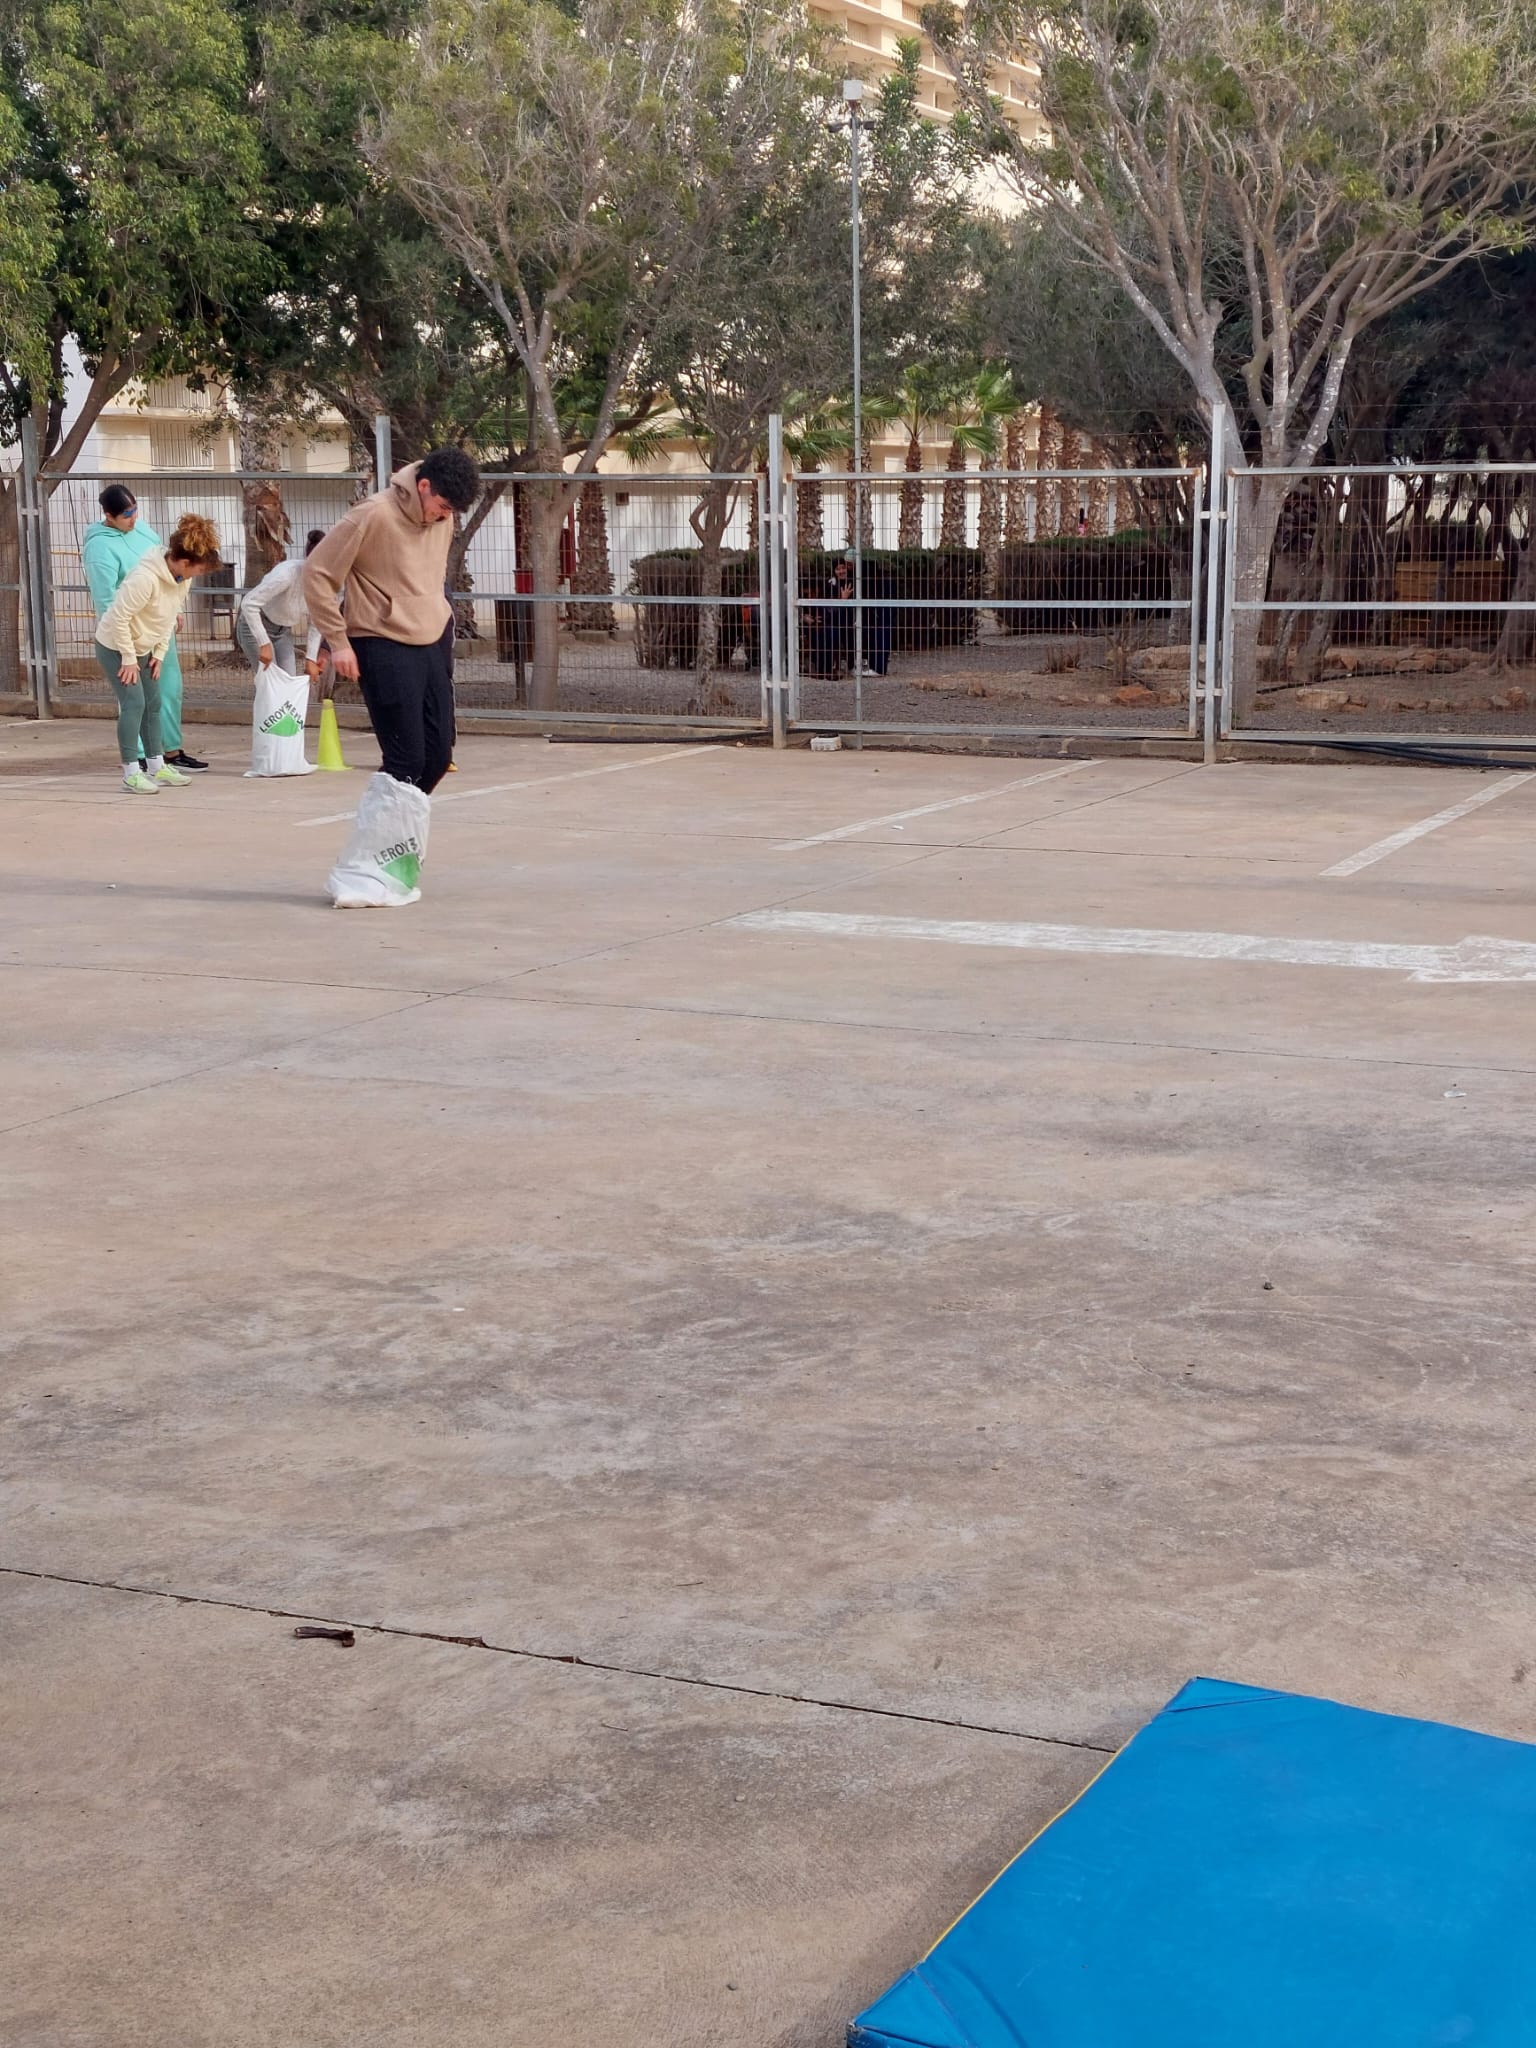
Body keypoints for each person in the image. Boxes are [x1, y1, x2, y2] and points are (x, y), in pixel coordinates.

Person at [302, 449, 479, 795]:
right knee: (406, 759)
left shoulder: (443, 520)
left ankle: (400, 820)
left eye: (452, 511)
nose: (445, 516)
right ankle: (382, 825)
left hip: (431, 637)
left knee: (438, 757)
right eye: (443, 506)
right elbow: (316, 573)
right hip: (381, 640)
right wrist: (337, 642)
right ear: (423, 486)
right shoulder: (372, 514)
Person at [81, 485, 206, 773]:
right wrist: (124, 648)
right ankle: (138, 754)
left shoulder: (144, 530)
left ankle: (169, 750)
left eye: (135, 510)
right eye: (126, 515)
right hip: (129, 631)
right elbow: (106, 599)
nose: (133, 518)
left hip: (157, 625)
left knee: (168, 688)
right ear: (109, 516)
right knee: (134, 698)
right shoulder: (99, 547)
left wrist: (174, 610)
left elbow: (172, 569)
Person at [96, 516, 223, 792]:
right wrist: (128, 659)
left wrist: (160, 653)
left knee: (153, 704)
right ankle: (131, 773)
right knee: (134, 704)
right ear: (184, 562)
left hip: (145, 647)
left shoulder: (181, 580)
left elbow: (168, 616)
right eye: (198, 569)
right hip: (115, 646)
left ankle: (157, 766)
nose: (198, 575)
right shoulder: (145, 579)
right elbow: (118, 618)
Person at [237, 529, 326, 681]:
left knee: (288, 681)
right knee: (271, 682)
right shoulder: (286, 574)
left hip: (283, 631)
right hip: (256, 626)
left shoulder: (325, 583)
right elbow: (249, 603)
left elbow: (316, 622)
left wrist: (311, 658)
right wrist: (263, 642)